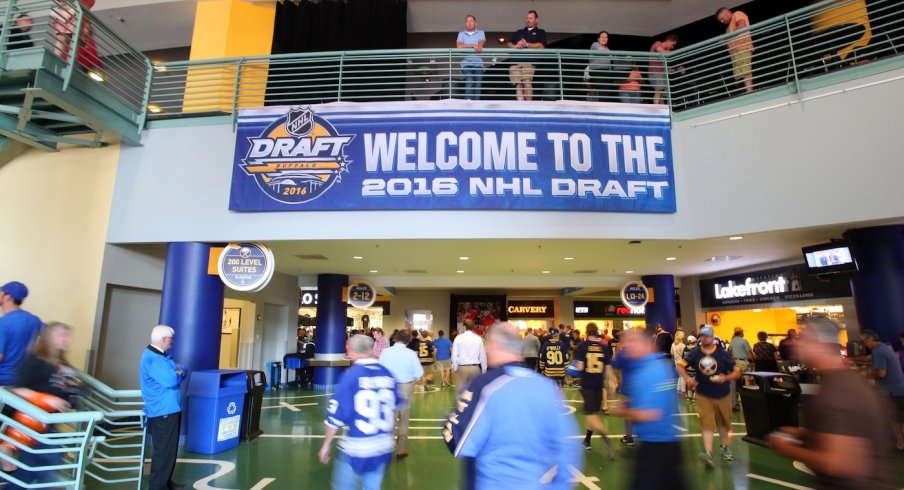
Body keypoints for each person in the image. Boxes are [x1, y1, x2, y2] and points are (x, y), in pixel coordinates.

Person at [443, 323, 581, 488]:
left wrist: (450, 418)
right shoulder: (547, 388)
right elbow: (566, 449)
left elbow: (457, 440)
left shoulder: (485, 386)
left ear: (496, 345)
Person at [769, 318, 895, 490]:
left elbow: (840, 462)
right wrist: (806, 435)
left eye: (804, 339)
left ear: (820, 345)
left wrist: (785, 448)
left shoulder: (838, 393)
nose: (797, 345)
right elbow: (845, 435)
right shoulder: (842, 383)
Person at [2, 322, 82, 480]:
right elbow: (17, 391)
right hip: (26, 424)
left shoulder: (63, 365)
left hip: (46, 425)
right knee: (44, 461)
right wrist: (45, 398)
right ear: (48, 338)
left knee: (41, 464)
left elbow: (66, 393)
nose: (65, 339)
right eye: (60, 335)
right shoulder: (34, 362)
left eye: (67, 336)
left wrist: (72, 395)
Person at [610, 328, 687, 490]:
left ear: (645, 344)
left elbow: (651, 414)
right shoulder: (656, 366)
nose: (626, 346)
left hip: (656, 449)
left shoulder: (649, 372)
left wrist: (622, 411)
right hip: (663, 446)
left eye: (632, 342)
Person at [320, 335, 398, 490]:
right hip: (382, 445)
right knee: (372, 486)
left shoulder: (350, 376)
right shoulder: (387, 373)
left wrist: (326, 444)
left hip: (356, 447)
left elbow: (334, 417)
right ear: (372, 350)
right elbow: (395, 405)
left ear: (350, 350)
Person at [677, 325, 740, 468]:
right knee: (707, 423)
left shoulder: (723, 354)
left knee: (724, 423)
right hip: (703, 394)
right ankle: (708, 451)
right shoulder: (695, 353)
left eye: (707, 336)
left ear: (712, 337)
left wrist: (725, 377)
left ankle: (724, 446)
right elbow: (680, 366)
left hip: (722, 394)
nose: (704, 338)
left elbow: (737, 372)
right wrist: (688, 379)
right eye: (702, 336)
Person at [139, 325, 187, 490]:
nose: (172, 343)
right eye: (170, 339)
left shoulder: (162, 357)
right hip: (162, 411)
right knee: (163, 452)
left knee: (169, 450)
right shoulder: (152, 358)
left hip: (170, 409)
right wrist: (178, 373)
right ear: (163, 339)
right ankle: (158, 486)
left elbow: (181, 371)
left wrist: (179, 373)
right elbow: (171, 380)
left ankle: (165, 481)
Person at [377, 329, 422, 460]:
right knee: (404, 419)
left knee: (389, 418)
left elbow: (380, 370)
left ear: (396, 338)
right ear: (408, 341)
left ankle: (387, 448)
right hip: (405, 386)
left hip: (389, 386)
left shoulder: (386, 352)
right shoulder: (411, 354)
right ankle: (401, 450)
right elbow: (418, 374)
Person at [573, 323, 615, 457]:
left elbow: (579, 367)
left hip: (587, 386)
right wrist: (613, 383)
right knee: (592, 415)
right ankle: (587, 440)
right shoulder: (603, 346)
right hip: (599, 386)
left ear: (586, 332)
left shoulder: (582, 346)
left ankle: (608, 442)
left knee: (592, 417)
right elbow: (608, 368)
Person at [859, 330, 904, 451]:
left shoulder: (878, 351)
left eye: (864, 342)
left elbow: (881, 373)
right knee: (899, 418)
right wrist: (853, 360)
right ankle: (900, 443)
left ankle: (900, 444)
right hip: (899, 388)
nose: (865, 344)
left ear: (869, 340)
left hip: (892, 391)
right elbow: (870, 358)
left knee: (895, 419)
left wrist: (864, 376)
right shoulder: (884, 347)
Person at [0, 281, 43, 386]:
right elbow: (51, 338)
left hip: (3, 380)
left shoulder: (2, 323)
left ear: (7, 297)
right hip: (22, 379)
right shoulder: (34, 320)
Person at [506, 10, 547, 101]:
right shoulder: (519, 32)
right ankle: (522, 108)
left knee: (527, 81)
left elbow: (541, 45)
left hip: (529, 62)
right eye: (527, 18)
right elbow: (509, 43)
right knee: (518, 85)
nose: (528, 20)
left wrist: (527, 44)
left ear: (536, 20)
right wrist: (515, 46)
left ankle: (529, 107)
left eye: (531, 18)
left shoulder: (540, 32)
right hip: (515, 62)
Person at [716, 7, 755, 94]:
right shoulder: (727, 29)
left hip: (743, 48)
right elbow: (728, 43)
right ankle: (745, 92)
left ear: (728, 14)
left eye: (722, 18)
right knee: (738, 75)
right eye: (720, 20)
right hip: (734, 54)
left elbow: (741, 25)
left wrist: (727, 37)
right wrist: (723, 42)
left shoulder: (737, 14)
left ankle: (749, 91)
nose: (722, 22)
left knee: (745, 70)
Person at [451, 319, 486, 396]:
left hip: (462, 368)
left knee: (460, 393)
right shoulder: (478, 339)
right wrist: (483, 370)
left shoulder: (458, 338)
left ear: (464, 327)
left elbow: (454, 355)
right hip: (475, 368)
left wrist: (455, 367)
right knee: (475, 393)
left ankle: (461, 407)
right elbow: (483, 356)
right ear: (473, 327)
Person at [457, 15, 486, 100]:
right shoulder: (461, 34)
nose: (469, 23)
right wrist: (473, 45)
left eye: (471, 21)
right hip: (466, 63)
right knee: (469, 80)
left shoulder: (481, 33)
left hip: (478, 64)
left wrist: (466, 46)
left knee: (477, 87)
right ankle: (468, 106)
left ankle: (476, 108)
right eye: (467, 21)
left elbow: (480, 47)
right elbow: (459, 47)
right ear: (465, 23)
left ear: (475, 23)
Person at [649, 34, 679, 105]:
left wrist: (677, 69)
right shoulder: (658, 43)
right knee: (659, 90)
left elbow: (667, 69)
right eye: (672, 45)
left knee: (662, 94)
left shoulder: (664, 55)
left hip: (661, 74)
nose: (672, 47)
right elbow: (661, 51)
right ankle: (656, 108)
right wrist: (675, 53)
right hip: (655, 73)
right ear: (669, 40)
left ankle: (662, 110)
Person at [728, 326, 753, 411]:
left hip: (735, 363)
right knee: (747, 382)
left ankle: (734, 404)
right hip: (744, 363)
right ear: (741, 332)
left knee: (733, 384)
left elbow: (729, 352)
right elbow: (749, 353)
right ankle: (748, 403)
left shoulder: (732, 341)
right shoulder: (744, 341)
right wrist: (753, 361)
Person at [588, 31, 614, 101]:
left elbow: (612, 59)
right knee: (603, 91)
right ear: (598, 39)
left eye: (606, 37)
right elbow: (601, 50)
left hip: (606, 73)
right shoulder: (595, 44)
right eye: (602, 37)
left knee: (607, 92)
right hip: (597, 71)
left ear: (607, 39)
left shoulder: (608, 49)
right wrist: (611, 53)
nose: (604, 39)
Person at [671, 331, 687, 396]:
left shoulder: (673, 345)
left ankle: (678, 390)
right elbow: (685, 355)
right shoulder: (683, 345)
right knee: (683, 377)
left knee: (680, 377)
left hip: (676, 362)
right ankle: (683, 391)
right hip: (682, 362)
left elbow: (672, 353)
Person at [683, 335, 698, 401]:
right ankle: (695, 396)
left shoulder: (685, 348)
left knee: (688, 381)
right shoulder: (696, 349)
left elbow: (683, 358)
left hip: (687, 368)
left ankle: (689, 396)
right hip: (695, 369)